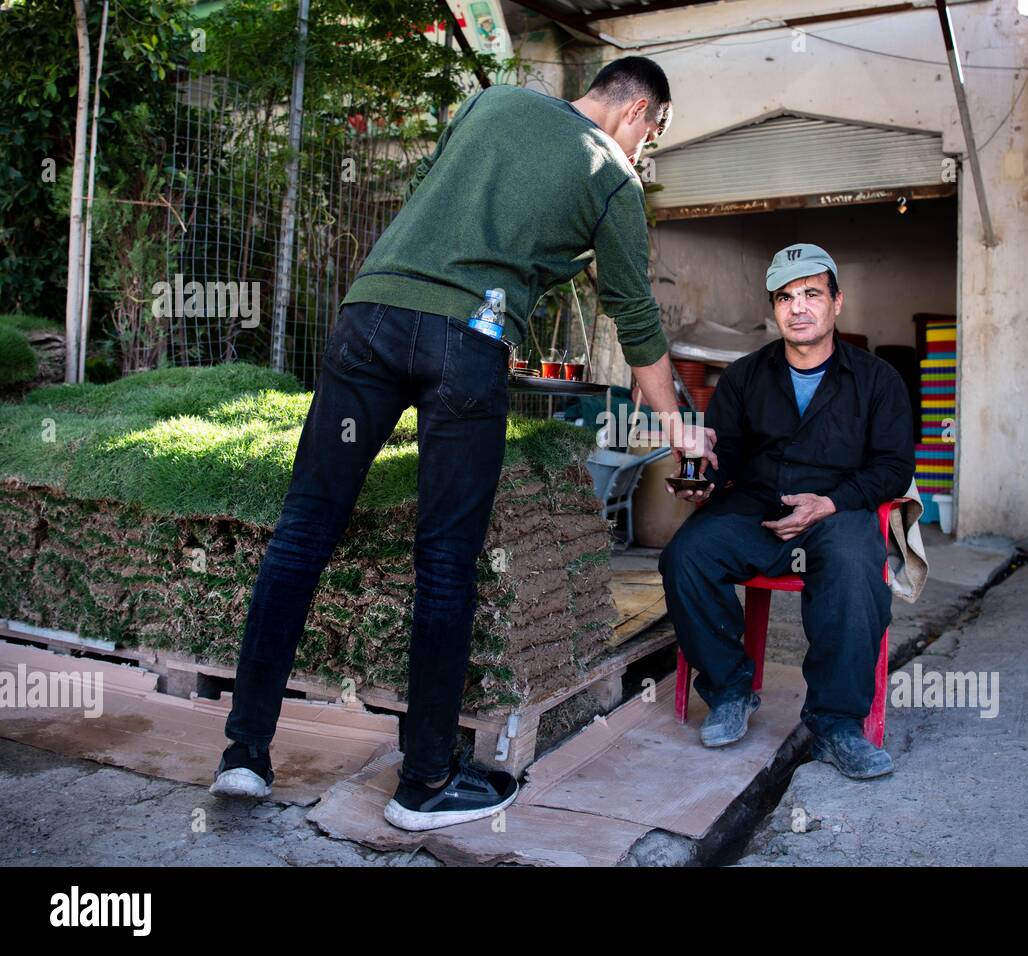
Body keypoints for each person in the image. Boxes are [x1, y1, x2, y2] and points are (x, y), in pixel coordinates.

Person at [210, 57, 715, 831]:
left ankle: (243, 755)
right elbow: (634, 317)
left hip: (369, 315)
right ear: (638, 111)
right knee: (445, 560)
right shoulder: (612, 175)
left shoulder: (491, 104)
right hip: (465, 345)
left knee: (304, 531)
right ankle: (425, 784)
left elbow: (451, 210)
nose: (644, 153)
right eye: (653, 137)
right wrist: (679, 428)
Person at [658, 243, 914, 779]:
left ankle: (835, 724)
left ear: (837, 302)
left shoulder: (877, 380)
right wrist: (702, 479)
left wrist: (833, 501)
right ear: (774, 308)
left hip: (836, 509)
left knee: (852, 566)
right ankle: (730, 688)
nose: (798, 307)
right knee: (686, 555)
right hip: (756, 507)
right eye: (785, 297)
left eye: (811, 294)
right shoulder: (745, 377)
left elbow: (893, 468)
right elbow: (721, 457)